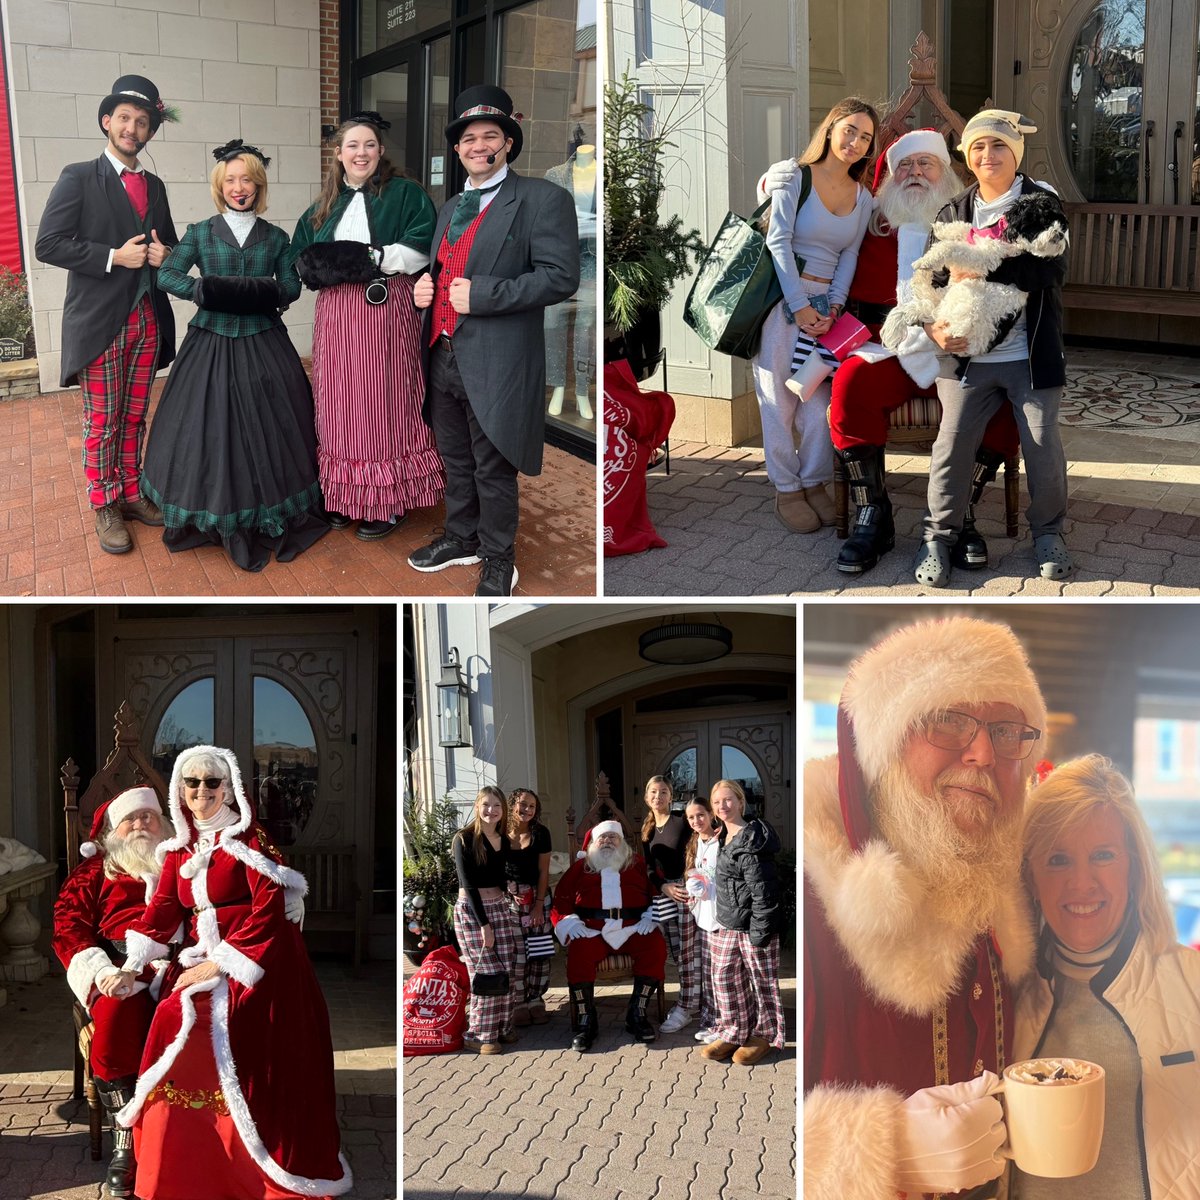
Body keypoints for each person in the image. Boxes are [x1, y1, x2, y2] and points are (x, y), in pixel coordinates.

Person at [804, 616, 1047, 1200]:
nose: (985, 753)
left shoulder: (1007, 891)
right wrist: (886, 1154)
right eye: (948, 720)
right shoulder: (816, 896)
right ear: (887, 743)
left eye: (1008, 730)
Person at [768, 128, 1021, 574]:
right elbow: (818, 202)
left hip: (960, 345)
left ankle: (961, 512)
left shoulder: (972, 217)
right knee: (851, 385)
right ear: (887, 175)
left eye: (926, 163)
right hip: (888, 341)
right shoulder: (871, 217)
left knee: (1003, 400)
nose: (916, 173)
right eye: (905, 165)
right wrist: (774, 179)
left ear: (946, 173)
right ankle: (874, 513)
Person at [107, 747, 350, 1199]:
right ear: (181, 790)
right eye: (192, 782)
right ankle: (185, 1165)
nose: (201, 791)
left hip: (261, 960)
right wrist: (131, 965)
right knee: (171, 1019)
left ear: (228, 788)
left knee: (230, 1025)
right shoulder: (179, 850)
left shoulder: (248, 841)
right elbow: (161, 911)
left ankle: (249, 1165)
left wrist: (222, 963)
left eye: (211, 783)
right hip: (203, 957)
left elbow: (270, 910)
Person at [410, 85, 582, 597]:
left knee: (493, 463)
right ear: (458, 149)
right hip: (442, 351)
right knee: (455, 457)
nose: (478, 145)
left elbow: (560, 277)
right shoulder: (451, 206)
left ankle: (498, 556)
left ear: (508, 142)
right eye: (468, 138)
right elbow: (443, 269)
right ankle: (461, 536)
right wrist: (426, 285)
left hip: (500, 358)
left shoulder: (541, 199)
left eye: (490, 135)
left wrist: (482, 295)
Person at [1014, 755, 1200, 1198]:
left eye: (1103, 855)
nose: (1082, 883)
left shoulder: (1193, 983)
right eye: (1058, 859)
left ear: (1134, 867)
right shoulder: (1002, 997)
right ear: (1030, 876)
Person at [142, 140, 328, 571]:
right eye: (231, 180)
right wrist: (205, 292)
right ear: (220, 186)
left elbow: (292, 287)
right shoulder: (201, 232)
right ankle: (217, 511)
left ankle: (275, 509)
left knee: (279, 422)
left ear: (258, 186)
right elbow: (168, 273)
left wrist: (260, 295)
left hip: (265, 340)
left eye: (247, 179)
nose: (239, 187)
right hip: (211, 341)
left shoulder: (277, 237)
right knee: (210, 426)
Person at [911, 110, 1071, 587]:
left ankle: (1048, 533)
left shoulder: (1043, 203)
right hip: (966, 357)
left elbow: (1047, 272)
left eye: (998, 145)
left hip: (1030, 355)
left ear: (1015, 153)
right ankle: (938, 537)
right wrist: (934, 330)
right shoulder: (954, 212)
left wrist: (978, 267)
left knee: (1042, 444)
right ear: (968, 156)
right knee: (951, 443)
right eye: (978, 146)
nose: (988, 154)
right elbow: (929, 282)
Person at [35, 75, 179, 556]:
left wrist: (165, 255)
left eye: (142, 122)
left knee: (136, 414)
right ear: (107, 121)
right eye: (124, 118)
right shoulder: (79, 176)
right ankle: (105, 502)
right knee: (104, 419)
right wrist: (114, 256)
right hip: (100, 322)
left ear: (150, 132)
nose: (132, 128)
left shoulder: (155, 185)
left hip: (147, 319)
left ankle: (132, 492)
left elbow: (170, 245)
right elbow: (49, 244)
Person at [291, 111, 442, 541]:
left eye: (369, 145)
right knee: (340, 402)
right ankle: (346, 495)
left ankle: (386, 501)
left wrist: (367, 258)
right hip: (337, 316)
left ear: (380, 151)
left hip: (384, 311)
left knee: (383, 401)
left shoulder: (406, 194)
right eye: (352, 146)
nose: (361, 153)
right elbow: (299, 253)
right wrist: (314, 266)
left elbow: (420, 246)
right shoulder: (325, 204)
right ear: (338, 154)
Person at [753, 98, 876, 535]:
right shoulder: (794, 177)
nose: (855, 142)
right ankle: (786, 488)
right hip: (783, 299)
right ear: (830, 128)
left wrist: (835, 307)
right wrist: (800, 305)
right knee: (777, 399)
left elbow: (850, 254)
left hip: (827, 308)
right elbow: (779, 242)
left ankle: (814, 481)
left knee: (821, 400)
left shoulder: (863, 198)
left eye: (865, 137)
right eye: (850, 130)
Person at [52, 787, 169, 1199]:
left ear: (163, 822)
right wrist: (101, 971)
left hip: (176, 964)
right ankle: (128, 1137)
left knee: (213, 1010)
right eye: (130, 819)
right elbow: (68, 927)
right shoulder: (95, 871)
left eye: (148, 817)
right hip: (116, 969)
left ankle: (203, 1127)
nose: (141, 825)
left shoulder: (182, 862)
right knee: (119, 1016)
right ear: (112, 831)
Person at [551, 820, 666, 1051]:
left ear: (622, 842)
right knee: (579, 952)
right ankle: (586, 1021)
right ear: (593, 843)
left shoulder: (638, 864)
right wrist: (570, 923)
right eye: (602, 838)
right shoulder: (581, 867)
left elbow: (658, 893)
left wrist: (651, 917)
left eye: (613, 837)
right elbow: (561, 900)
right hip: (592, 930)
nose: (607, 841)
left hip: (633, 928)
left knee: (655, 945)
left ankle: (637, 1013)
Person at [700, 780, 783, 1066]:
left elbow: (764, 890)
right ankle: (735, 1030)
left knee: (761, 983)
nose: (722, 806)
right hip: (728, 924)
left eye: (728, 800)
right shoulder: (721, 836)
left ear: (740, 801)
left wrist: (760, 932)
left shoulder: (751, 839)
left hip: (753, 927)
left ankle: (764, 1034)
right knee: (723, 978)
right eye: (717, 802)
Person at [452, 785, 524, 1054]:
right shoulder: (463, 839)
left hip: (499, 906)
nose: (491, 810)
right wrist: (484, 925)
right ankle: (479, 1034)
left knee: (507, 968)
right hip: (473, 912)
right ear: (476, 806)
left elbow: (497, 876)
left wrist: (511, 888)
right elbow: (469, 885)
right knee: (485, 971)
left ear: (503, 810)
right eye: (486, 805)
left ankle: (501, 1028)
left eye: (496, 806)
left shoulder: (503, 840)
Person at [640, 775, 699, 1034]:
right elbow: (649, 868)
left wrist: (688, 882)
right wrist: (663, 887)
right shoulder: (647, 830)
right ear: (646, 797)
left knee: (688, 952)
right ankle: (691, 999)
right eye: (653, 792)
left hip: (686, 892)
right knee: (675, 952)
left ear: (670, 796)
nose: (658, 796)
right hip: (665, 895)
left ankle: (688, 1005)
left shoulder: (682, 822)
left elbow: (697, 851)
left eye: (663, 792)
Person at [505, 786, 552, 1026]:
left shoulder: (540, 833)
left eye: (532, 806)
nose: (527, 810)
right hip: (510, 901)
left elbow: (544, 871)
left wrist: (538, 905)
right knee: (517, 954)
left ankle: (536, 999)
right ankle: (519, 1001)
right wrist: (509, 892)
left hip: (537, 898)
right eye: (523, 804)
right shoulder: (500, 833)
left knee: (540, 952)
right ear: (513, 804)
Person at [682, 795, 723, 1044]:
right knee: (708, 974)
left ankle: (723, 1022)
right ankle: (711, 1020)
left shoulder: (722, 840)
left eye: (700, 815)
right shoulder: (697, 842)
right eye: (691, 817)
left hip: (721, 915)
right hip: (703, 916)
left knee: (722, 974)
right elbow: (700, 873)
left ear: (710, 814)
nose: (696, 820)